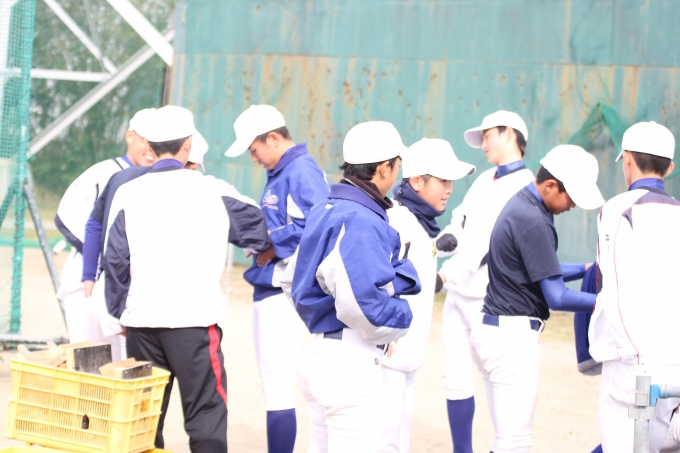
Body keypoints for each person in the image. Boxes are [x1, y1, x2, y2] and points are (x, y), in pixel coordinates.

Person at [103, 106, 229, 452]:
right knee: (206, 412)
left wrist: (118, 313)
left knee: (143, 419)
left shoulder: (129, 191)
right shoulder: (210, 190)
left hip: (141, 323)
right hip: (194, 322)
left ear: (149, 146)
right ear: (188, 145)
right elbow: (253, 225)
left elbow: (115, 260)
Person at [290, 121, 421, 452]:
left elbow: (294, 280)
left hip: (322, 352)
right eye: (397, 165)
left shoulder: (326, 207)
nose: (398, 173)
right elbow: (366, 310)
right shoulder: (360, 217)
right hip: (348, 363)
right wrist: (403, 314)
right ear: (383, 168)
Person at [476, 144, 605, 453]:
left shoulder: (524, 205)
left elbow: (543, 268)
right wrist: (606, 304)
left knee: (507, 440)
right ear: (550, 186)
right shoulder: (533, 219)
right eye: (571, 197)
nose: (573, 205)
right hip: (511, 338)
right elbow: (556, 296)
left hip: (498, 330)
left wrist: (584, 268)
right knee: (515, 443)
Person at [224, 105, 329, 453]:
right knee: (275, 387)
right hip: (272, 287)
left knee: (278, 388)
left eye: (254, 149)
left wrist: (272, 240)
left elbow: (321, 225)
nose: (253, 158)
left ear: (272, 138)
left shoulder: (300, 170)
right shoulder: (284, 170)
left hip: (283, 290)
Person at [435, 111, 535, 453]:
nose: (483, 144)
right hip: (458, 295)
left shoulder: (524, 185)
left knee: (496, 384)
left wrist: (444, 274)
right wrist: (443, 240)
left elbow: (485, 247)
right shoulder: (485, 178)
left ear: (510, 134)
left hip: (489, 301)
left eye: (488, 135)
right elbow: (460, 219)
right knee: (455, 379)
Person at [589, 121, 680, 453]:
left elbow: (614, 291)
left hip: (633, 363)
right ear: (669, 167)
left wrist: (636, 358)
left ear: (626, 159)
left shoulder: (618, 208)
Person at [381, 138, 475, 453]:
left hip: (408, 354)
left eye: (451, 182)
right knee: (384, 441)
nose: (449, 189)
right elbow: (376, 279)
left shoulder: (422, 223)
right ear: (417, 181)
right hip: (388, 354)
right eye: (443, 181)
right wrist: (383, 331)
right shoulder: (399, 220)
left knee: (399, 439)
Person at [54, 108, 156, 358]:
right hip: (84, 282)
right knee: (87, 360)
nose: (150, 147)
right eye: (144, 139)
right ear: (129, 136)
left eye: (156, 141)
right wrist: (98, 256)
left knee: (120, 364)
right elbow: (64, 216)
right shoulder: (104, 171)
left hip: (121, 286)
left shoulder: (156, 179)